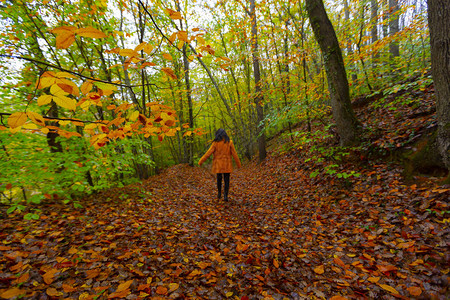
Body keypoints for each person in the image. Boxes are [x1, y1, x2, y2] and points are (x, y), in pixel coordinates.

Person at [198, 128, 241, 202]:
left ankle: (219, 194)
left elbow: (208, 153)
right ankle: (225, 196)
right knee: (227, 180)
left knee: (219, 179)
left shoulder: (215, 143)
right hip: (227, 164)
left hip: (218, 165)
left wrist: (200, 161)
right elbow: (234, 154)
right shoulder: (229, 142)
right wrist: (238, 164)